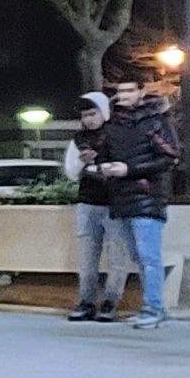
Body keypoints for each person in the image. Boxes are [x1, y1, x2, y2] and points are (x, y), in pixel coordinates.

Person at [94, 75, 180, 326]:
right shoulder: (112, 125)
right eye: (121, 91)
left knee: (148, 256)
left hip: (147, 199)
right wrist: (104, 166)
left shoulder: (155, 121)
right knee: (139, 256)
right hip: (122, 198)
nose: (124, 96)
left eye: (129, 91)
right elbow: (102, 155)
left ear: (141, 92)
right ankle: (155, 307)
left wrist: (129, 169)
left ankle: (154, 307)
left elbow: (170, 156)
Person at [64, 93, 127, 321]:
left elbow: (125, 165)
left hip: (115, 203)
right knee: (87, 258)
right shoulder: (79, 139)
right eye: (84, 115)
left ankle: (111, 302)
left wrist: (102, 167)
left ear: (104, 112)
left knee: (117, 257)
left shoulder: (118, 135)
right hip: (88, 203)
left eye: (93, 114)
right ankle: (86, 301)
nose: (88, 120)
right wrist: (82, 161)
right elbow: (71, 173)